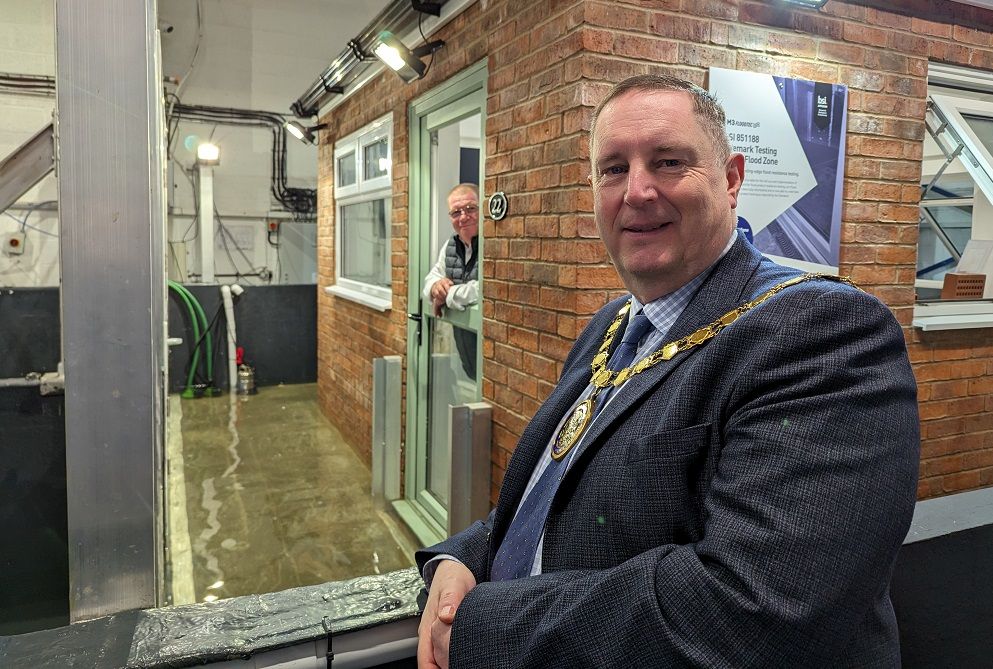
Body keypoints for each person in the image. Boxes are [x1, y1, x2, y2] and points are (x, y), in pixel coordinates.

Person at [415, 74, 920, 668]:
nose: (637, 191)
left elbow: (756, 613)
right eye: (613, 169)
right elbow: (559, 489)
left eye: (669, 162)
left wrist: (482, 628)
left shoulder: (822, 333)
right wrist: (463, 558)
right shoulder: (611, 324)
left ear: (731, 179)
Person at [422, 183, 480, 380]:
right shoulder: (450, 245)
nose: (463, 217)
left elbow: (486, 289)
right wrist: (435, 288)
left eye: (470, 208)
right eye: (456, 212)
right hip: (466, 353)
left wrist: (447, 295)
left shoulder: (494, 243)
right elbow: (431, 279)